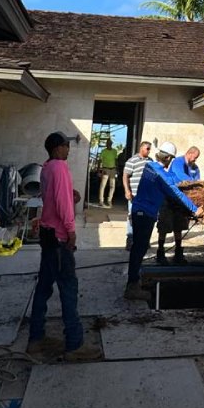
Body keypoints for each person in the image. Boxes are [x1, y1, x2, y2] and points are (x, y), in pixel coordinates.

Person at [28, 132, 100, 360]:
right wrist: (71, 231)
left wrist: (70, 194)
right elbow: (61, 205)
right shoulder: (59, 167)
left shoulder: (47, 167)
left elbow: (54, 195)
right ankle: (74, 345)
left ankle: (36, 339)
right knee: (69, 290)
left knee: (43, 289)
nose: (69, 150)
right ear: (58, 148)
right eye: (67, 146)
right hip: (59, 238)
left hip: (48, 236)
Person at [125, 145, 200, 301]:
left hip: (139, 211)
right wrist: (195, 209)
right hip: (145, 213)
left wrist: (191, 183)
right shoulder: (160, 176)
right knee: (139, 248)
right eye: (171, 159)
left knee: (139, 247)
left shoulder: (149, 166)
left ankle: (134, 281)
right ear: (167, 158)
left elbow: (170, 177)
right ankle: (132, 286)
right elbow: (176, 192)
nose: (171, 161)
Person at [157, 145, 201, 264]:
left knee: (179, 226)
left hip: (182, 201)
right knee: (164, 226)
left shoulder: (194, 167)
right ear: (190, 153)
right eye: (195, 157)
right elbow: (181, 177)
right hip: (169, 199)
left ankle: (178, 253)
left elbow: (197, 179)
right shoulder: (178, 162)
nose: (195, 160)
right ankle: (160, 252)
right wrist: (194, 183)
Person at [122, 140, 152, 250]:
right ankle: (130, 240)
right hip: (135, 195)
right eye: (147, 148)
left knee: (145, 217)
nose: (149, 151)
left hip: (147, 196)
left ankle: (143, 240)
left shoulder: (150, 161)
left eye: (150, 149)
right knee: (132, 216)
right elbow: (125, 176)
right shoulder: (132, 161)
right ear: (141, 148)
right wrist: (127, 190)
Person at [97, 139, 119, 207]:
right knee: (103, 185)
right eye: (108, 143)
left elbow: (116, 160)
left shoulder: (114, 151)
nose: (109, 144)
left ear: (111, 144)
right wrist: (98, 170)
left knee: (112, 186)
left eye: (110, 143)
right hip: (105, 169)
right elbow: (99, 161)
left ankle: (109, 200)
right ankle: (101, 200)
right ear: (106, 144)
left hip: (113, 169)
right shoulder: (103, 151)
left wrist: (117, 169)